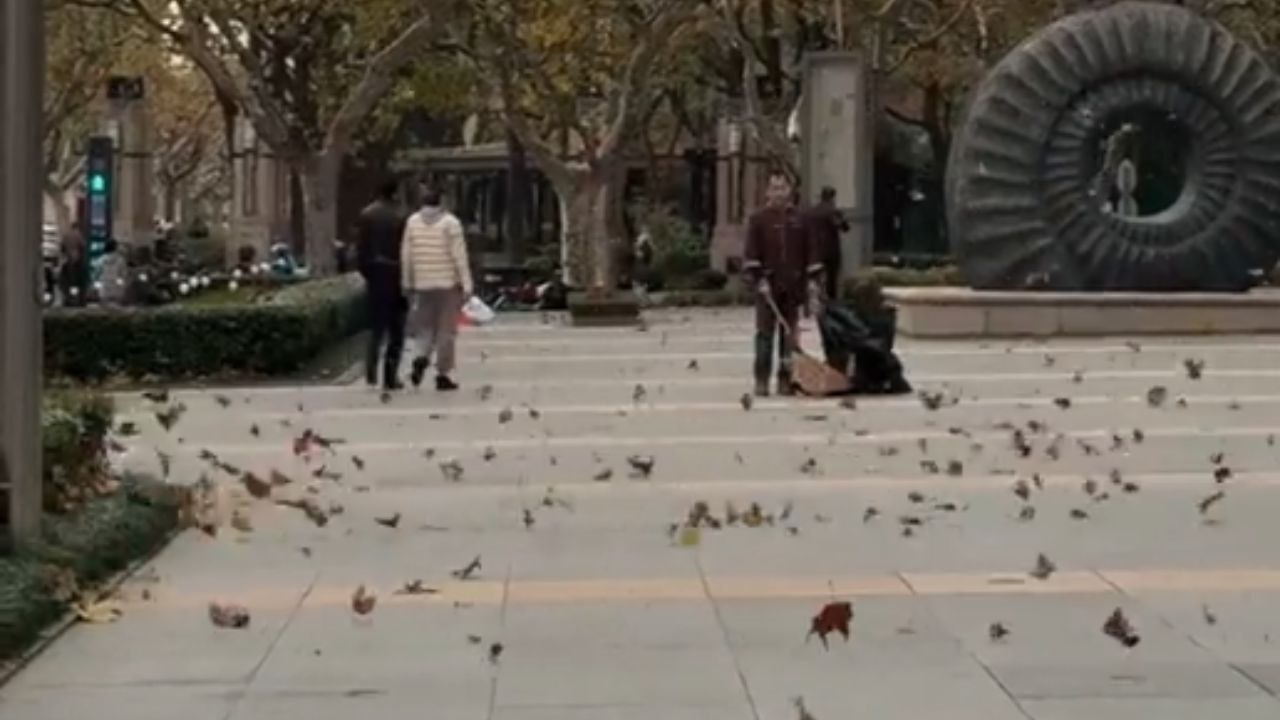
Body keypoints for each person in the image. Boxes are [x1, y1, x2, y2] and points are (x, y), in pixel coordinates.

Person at [743, 170, 824, 397]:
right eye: (774, 188)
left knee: (789, 336)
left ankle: (785, 379)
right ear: (768, 191)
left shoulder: (801, 219)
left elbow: (812, 254)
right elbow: (751, 254)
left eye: (782, 188)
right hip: (767, 288)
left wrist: (812, 283)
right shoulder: (758, 219)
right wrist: (759, 279)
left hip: (793, 286)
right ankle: (761, 379)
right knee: (764, 335)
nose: (778, 193)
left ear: (790, 191)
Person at [401, 184, 472, 391]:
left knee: (424, 329)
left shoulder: (412, 222)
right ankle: (443, 374)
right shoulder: (451, 223)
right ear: (441, 203)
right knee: (446, 332)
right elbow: (459, 256)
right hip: (447, 285)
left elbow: (406, 255)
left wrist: (407, 282)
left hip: (422, 285)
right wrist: (466, 284)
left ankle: (420, 357)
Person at [355, 178, 408, 390]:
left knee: (375, 329)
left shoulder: (366, 215)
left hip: (375, 276)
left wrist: (368, 272)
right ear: (394, 193)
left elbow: (360, 250)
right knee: (396, 330)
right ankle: (390, 375)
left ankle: (370, 372)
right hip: (396, 274)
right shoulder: (400, 216)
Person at [807, 186, 850, 300]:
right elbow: (844, 227)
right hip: (831, 251)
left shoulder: (812, 211)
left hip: (815, 249)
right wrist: (842, 217)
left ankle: (816, 300)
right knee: (832, 280)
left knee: (816, 278)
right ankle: (831, 304)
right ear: (832, 197)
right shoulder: (833, 211)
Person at [97, 239, 128, 306]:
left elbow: (97, 273)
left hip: (104, 287)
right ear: (115, 248)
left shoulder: (100, 260)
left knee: (104, 310)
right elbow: (124, 274)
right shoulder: (121, 260)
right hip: (117, 287)